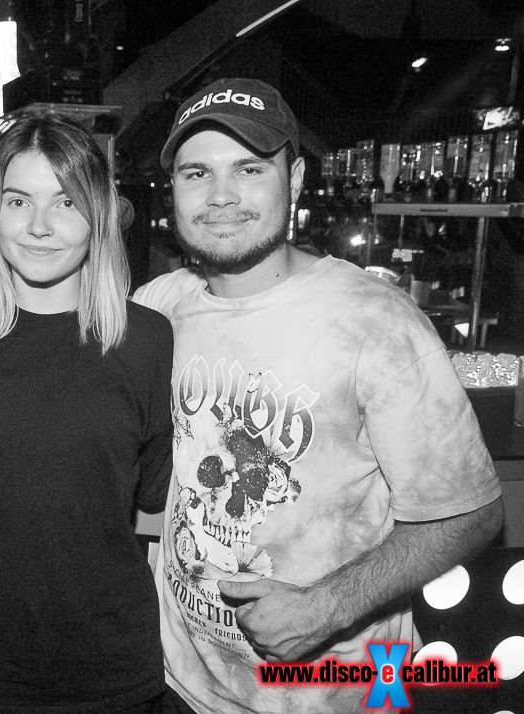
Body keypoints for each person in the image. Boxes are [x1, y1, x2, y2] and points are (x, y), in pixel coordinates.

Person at [134, 77, 503, 713]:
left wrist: (325, 607)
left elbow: (470, 513)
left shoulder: (375, 323)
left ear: (296, 179)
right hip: (182, 686)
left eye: (249, 169)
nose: (220, 195)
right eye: (197, 173)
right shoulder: (158, 307)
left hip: (335, 697)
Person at [0, 111, 176, 713]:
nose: (41, 226)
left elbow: (155, 500)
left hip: (111, 665)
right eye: (19, 201)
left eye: (66, 202)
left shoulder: (147, 340)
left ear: (98, 216)